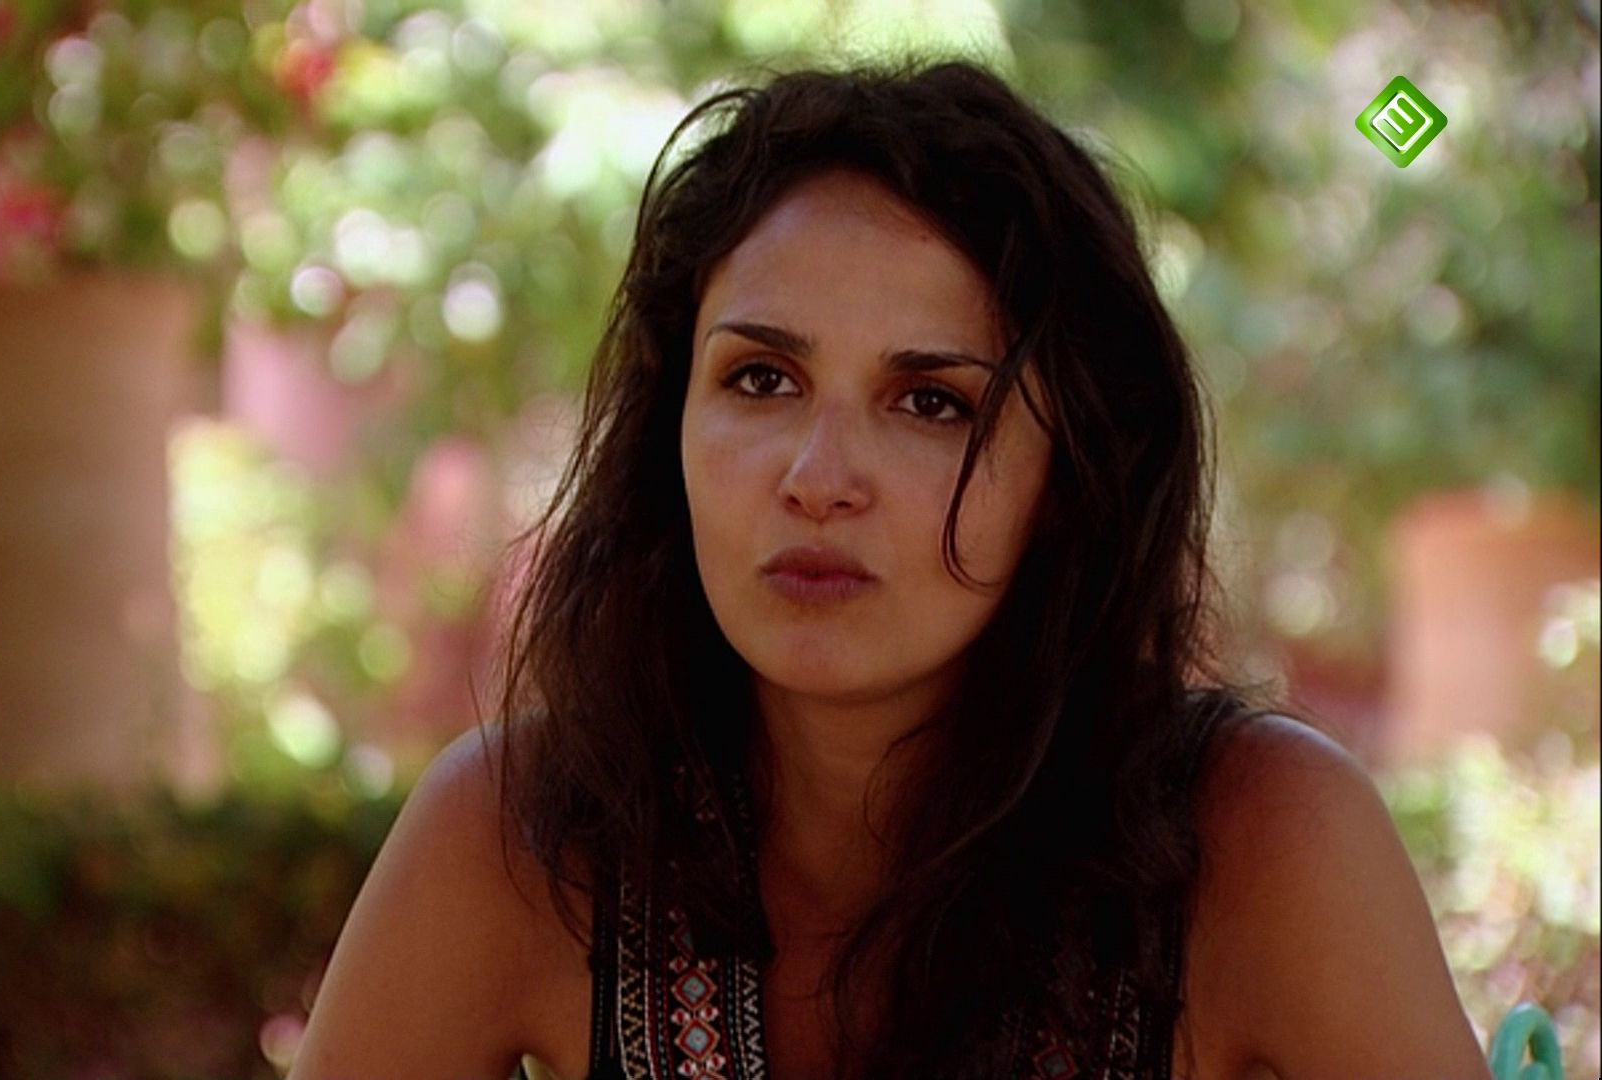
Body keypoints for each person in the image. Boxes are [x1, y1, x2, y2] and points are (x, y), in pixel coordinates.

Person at [290, 55, 1493, 1080]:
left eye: (931, 401)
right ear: (671, 428)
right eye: (762, 378)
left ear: (1070, 476)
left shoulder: (1260, 843)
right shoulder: (520, 839)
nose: (819, 476)